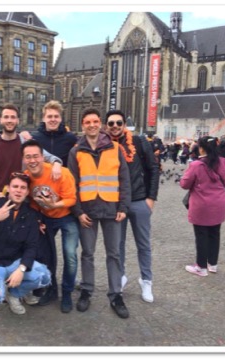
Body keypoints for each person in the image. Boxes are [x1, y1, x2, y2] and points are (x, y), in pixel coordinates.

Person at [68, 108, 131, 319]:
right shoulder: (76, 151)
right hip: (87, 210)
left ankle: (115, 294)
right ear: (83, 125)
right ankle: (86, 289)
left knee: (113, 254)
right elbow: (72, 184)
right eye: (88, 122)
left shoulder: (115, 148)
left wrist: (123, 207)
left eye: (95, 121)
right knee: (87, 253)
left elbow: (124, 180)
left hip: (112, 209)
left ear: (100, 124)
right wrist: (77, 212)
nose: (92, 125)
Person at [0, 172, 51, 316]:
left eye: (23, 188)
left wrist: (21, 269)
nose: (18, 190)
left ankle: (14, 294)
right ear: (8, 188)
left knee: (44, 276)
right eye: (15, 186)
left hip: (13, 262)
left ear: (27, 192)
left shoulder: (30, 214)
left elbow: (31, 246)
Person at [104, 110, 159, 303]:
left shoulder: (139, 142)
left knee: (143, 244)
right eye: (111, 123)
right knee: (117, 244)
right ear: (106, 126)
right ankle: (120, 276)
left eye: (119, 123)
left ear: (124, 124)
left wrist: (151, 198)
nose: (115, 126)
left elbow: (153, 168)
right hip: (115, 203)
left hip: (139, 200)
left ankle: (146, 280)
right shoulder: (104, 145)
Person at [21, 139, 79, 312]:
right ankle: (52, 289)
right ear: (24, 159)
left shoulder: (62, 173)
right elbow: (31, 203)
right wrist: (38, 220)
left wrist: (55, 205)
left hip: (66, 217)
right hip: (45, 218)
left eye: (36, 156)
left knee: (70, 255)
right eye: (28, 157)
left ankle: (67, 292)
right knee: (46, 256)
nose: (32, 160)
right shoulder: (27, 177)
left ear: (42, 157)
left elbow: (71, 199)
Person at [0, 103, 62, 199]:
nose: (9, 120)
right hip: (0, 198)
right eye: (6, 117)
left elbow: (50, 157)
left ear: (17, 120)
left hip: (23, 200)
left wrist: (57, 164)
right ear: (1, 120)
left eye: (13, 117)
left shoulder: (26, 142)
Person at [180, 136, 225, 276]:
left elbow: (184, 184)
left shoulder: (196, 165)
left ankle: (201, 267)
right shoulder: (224, 162)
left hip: (201, 204)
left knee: (201, 235)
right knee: (215, 233)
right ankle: (212, 264)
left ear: (201, 148)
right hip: (218, 202)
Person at [23, 100, 78, 166]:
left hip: (63, 175)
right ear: (43, 118)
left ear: (60, 119)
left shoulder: (70, 138)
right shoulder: (34, 138)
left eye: (56, 116)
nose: (53, 119)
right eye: (49, 116)